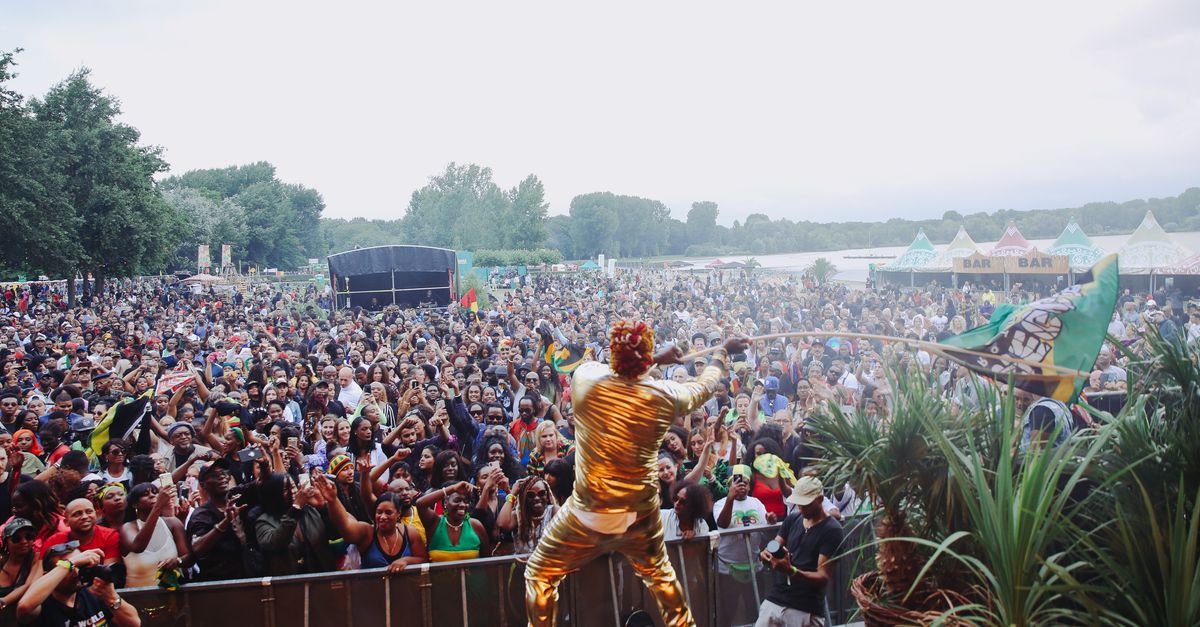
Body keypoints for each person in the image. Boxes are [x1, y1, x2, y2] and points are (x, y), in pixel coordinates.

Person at [524, 319, 747, 627]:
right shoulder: (665, 394)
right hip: (638, 515)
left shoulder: (586, 380)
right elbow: (705, 387)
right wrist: (722, 354)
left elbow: (611, 368)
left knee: (539, 574)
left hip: (588, 512)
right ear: (645, 357)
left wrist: (652, 358)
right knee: (663, 581)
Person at [757, 476, 844, 627]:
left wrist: (792, 571)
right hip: (776, 599)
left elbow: (823, 576)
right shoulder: (793, 518)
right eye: (798, 503)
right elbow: (775, 544)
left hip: (805, 607)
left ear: (820, 499)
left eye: (806, 505)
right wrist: (766, 553)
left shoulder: (832, 530)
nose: (801, 508)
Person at [314, 473, 427, 572]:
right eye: (379, 512)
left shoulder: (410, 533)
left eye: (388, 513)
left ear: (398, 513)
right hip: (371, 593)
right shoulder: (367, 532)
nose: (382, 517)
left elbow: (423, 559)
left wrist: (405, 561)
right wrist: (332, 500)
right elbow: (345, 525)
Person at [16, 544, 141, 626]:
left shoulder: (94, 592)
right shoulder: (42, 604)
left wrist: (112, 598)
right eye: (69, 568)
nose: (76, 572)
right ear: (48, 575)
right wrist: (71, 562)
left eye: (79, 565)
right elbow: (24, 607)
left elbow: (134, 623)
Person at [120, 482, 189, 588]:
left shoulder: (173, 523)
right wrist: (158, 506)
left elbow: (188, 557)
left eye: (155, 492)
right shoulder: (128, 527)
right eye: (145, 494)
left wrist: (177, 561)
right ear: (134, 504)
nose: (152, 495)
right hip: (137, 598)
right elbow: (138, 547)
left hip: (171, 597)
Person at [41, 498, 121, 566]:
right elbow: (41, 575)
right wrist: (70, 564)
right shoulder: (54, 542)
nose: (85, 517)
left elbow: (109, 575)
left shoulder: (110, 536)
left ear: (96, 514)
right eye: (77, 514)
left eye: (89, 512)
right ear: (66, 522)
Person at [0, 518, 36, 618]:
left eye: (29, 537)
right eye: (16, 539)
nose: (24, 542)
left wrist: (2, 601)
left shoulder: (36, 558)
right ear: (6, 542)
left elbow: (29, 585)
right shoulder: (2, 561)